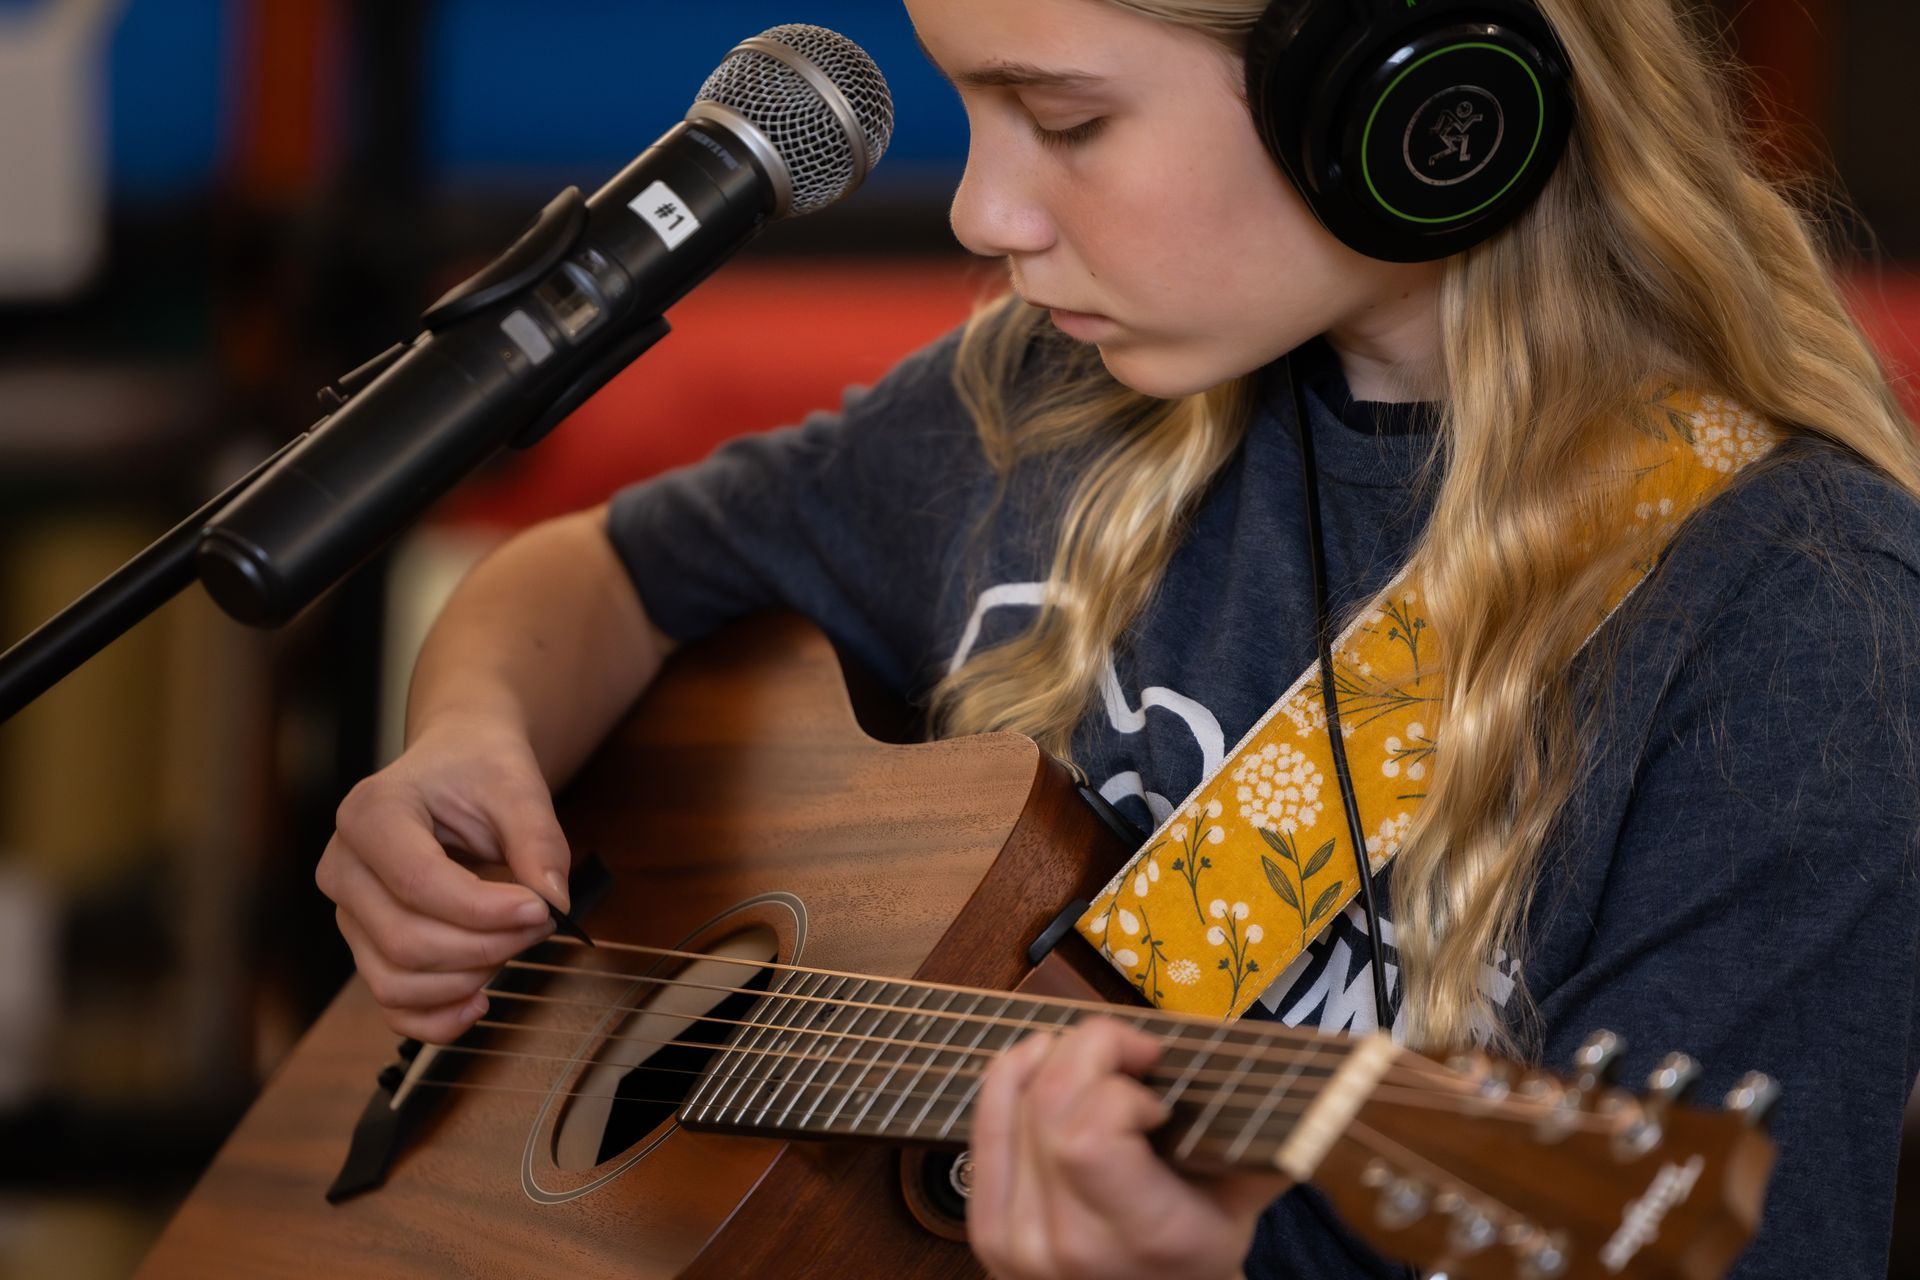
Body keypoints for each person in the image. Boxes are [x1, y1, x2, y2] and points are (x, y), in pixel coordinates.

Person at [313, 0, 1920, 1276]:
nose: (983, 207)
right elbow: (595, 576)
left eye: (1066, 119)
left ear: (1406, 99)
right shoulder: (1040, 407)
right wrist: (470, 745)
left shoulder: (1796, 615)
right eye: (972, 111)